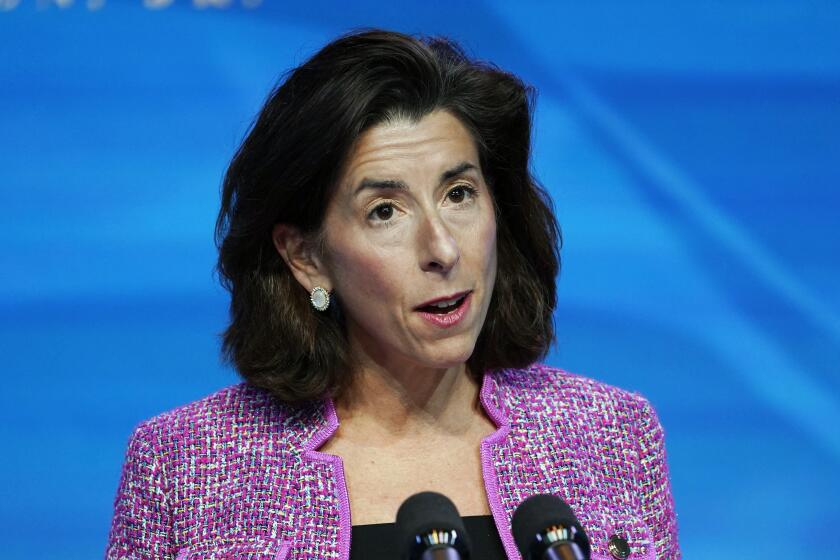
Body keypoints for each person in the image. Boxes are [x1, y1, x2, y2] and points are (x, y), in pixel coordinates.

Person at [106, 30, 680, 560]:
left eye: (459, 194)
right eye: (386, 211)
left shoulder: (610, 435)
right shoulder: (185, 464)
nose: (443, 248)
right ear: (305, 256)